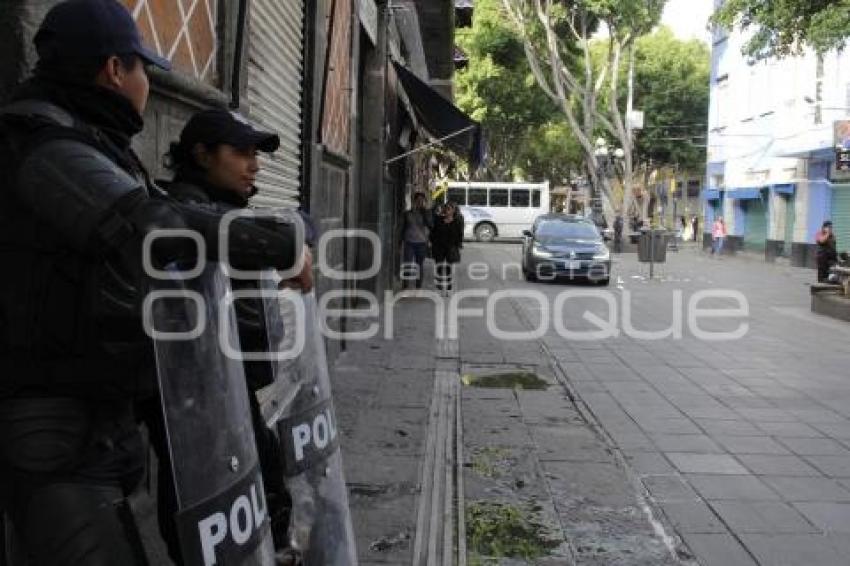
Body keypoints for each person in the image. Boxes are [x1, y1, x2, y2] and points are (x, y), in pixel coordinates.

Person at [0, 2, 307, 564]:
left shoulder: (96, 145)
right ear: (115, 70)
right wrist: (283, 246)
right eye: (142, 69)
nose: (147, 82)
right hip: (54, 425)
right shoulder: (47, 148)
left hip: (106, 417)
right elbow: (154, 225)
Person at [148, 108, 311, 560]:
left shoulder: (224, 214)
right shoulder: (182, 213)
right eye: (241, 153)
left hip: (233, 392)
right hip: (198, 406)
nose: (254, 165)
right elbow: (276, 234)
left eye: (255, 154)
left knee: (264, 491)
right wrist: (294, 244)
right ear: (201, 154)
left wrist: (302, 239)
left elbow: (297, 218)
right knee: (211, 517)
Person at [401, 192, 433, 289]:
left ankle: (418, 286)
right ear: (414, 201)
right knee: (407, 265)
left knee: (419, 265)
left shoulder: (426, 213)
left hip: (421, 243)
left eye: (421, 201)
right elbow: (402, 228)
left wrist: (425, 213)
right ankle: (405, 285)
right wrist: (400, 242)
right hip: (409, 242)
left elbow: (431, 225)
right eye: (418, 200)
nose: (420, 202)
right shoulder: (407, 214)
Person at [430, 201, 464, 295]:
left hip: (450, 248)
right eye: (446, 208)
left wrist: (458, 245)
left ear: (453, 210)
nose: (447, 210)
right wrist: (432, 243)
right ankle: (439, 287)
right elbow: (433, 233)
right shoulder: (438, 220)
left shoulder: (457, 221)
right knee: (439, 268)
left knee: (448, 268)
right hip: (439, 247)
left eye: (449, 208)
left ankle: (449, 288)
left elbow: (460, 235)